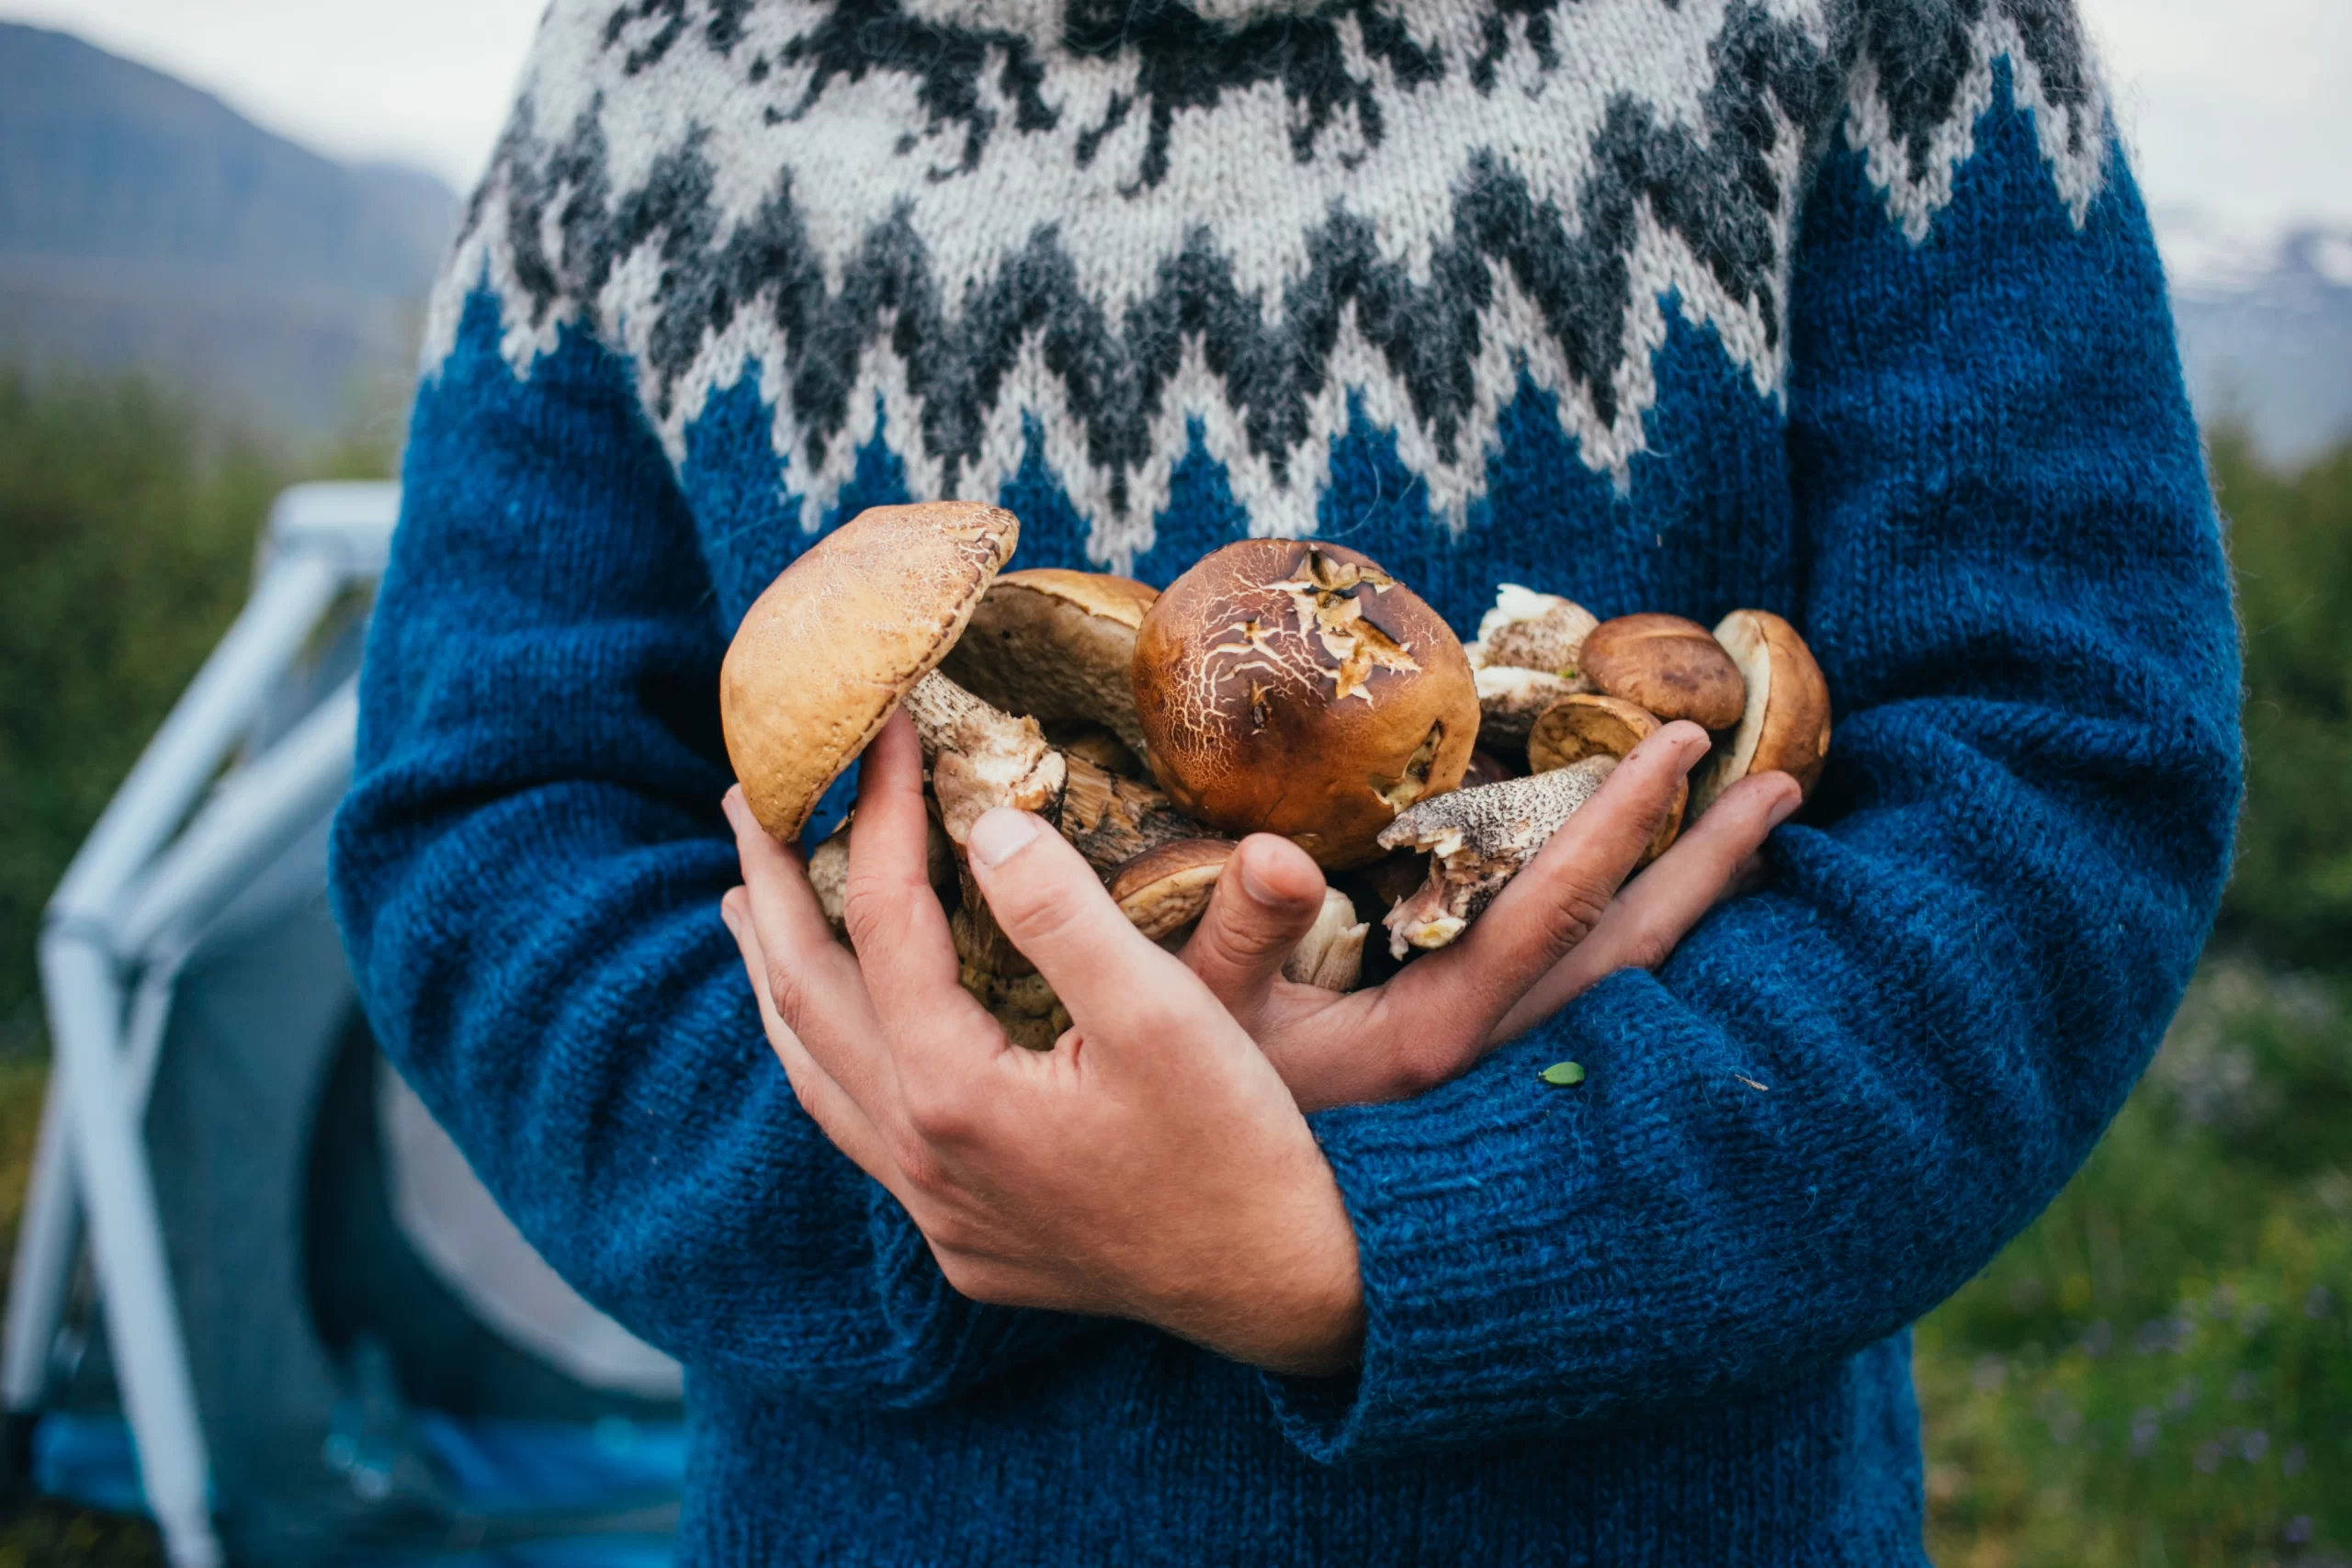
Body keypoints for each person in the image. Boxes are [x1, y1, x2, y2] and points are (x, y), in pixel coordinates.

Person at [328, 0, 2240, 1559]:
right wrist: (964, 1164)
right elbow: (491, 827)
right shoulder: (651, 66)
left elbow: (2049, 778)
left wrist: (1371, 1233)